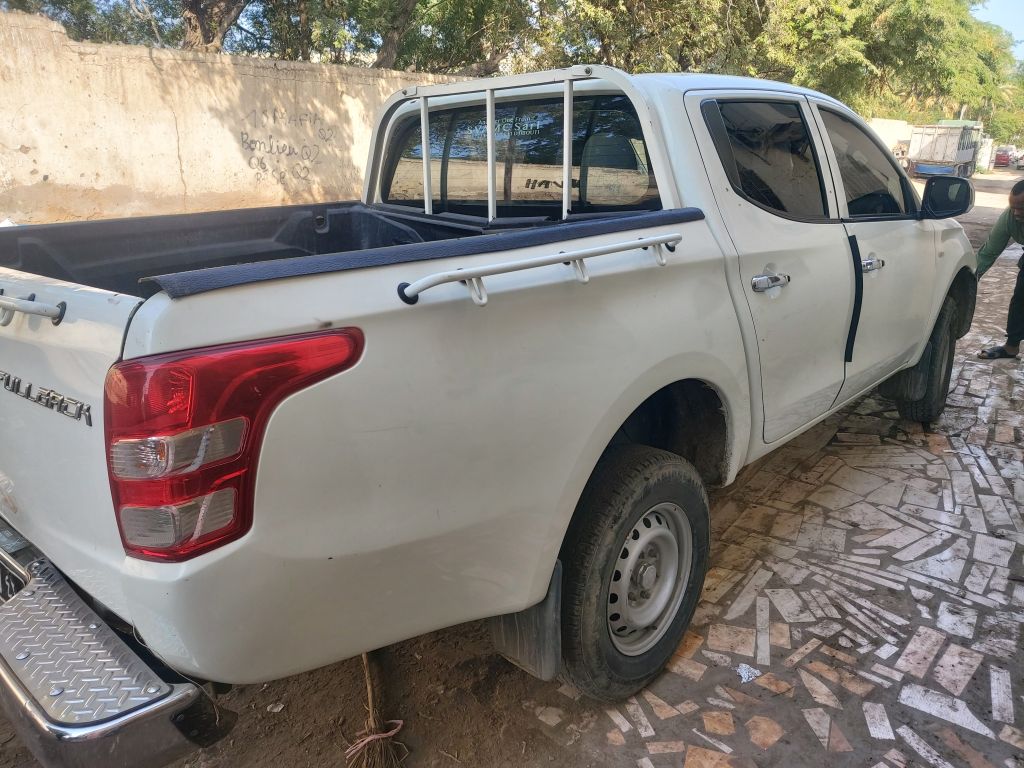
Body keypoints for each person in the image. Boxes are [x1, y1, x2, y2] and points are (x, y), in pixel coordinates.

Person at [976, 178, 1024, 359]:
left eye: (1022, 208)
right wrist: (971, 278)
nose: (1016, 213)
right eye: (1013, 207)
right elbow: (988, 252)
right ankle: (1011, 347)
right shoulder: (1009, 218)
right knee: (1020, 297)